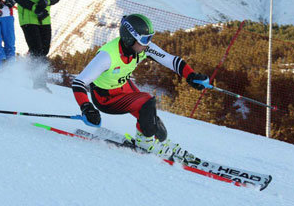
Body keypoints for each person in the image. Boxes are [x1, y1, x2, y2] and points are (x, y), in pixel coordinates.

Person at [71, 14, 212, 161]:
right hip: (106, 98)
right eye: (144, 40)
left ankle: (159, 141)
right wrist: (86, 107)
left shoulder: (143, 48)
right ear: (129, 38)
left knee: (157, 128)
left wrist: (191, 76)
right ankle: (145, 143)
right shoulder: (107, 56)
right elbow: (79, 82)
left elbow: (171, 60)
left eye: (150, 38)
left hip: (123, 87)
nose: (148, 44)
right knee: (147, 101)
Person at [13, 0, 60, 88]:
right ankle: (38, 83)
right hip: (29, 19)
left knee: (44, 50)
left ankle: (33, 75)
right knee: (36, 49)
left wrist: (47, 1)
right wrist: (34, 8)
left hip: (45, 20)